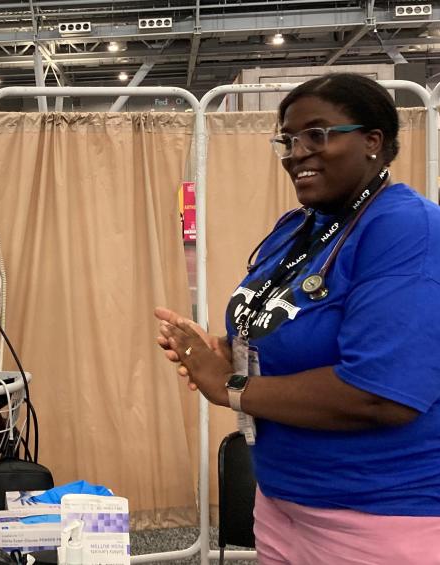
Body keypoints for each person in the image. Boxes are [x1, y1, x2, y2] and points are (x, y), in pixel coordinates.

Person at [155, 73, 440, 563]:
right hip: (283, 502)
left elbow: (381, 394)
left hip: (377, 517)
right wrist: (226, 347)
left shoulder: (406, 227)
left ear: (373, 141)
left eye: (317, 134)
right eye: (287, 139)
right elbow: (295, 327)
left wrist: (231, 385)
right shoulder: (300, 227)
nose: (296, 151)